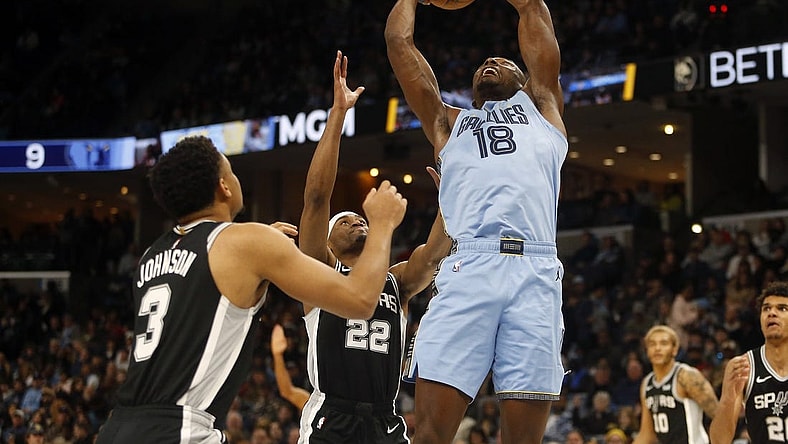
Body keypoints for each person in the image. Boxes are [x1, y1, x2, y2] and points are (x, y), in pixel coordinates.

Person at [95, 135, 408, 443]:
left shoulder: (151, 256)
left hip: (118, 426)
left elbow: (203, 295)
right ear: (224, 187)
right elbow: (362, 300)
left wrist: (259, 260)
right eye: (231, 170)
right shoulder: (246, 241)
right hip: (181, 429)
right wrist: (381, 225)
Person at [385, 0, 567, 442]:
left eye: (503, 61)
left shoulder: (542, 109)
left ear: (525, 82)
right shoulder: (449, 124)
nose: (491, 61)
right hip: (470, 265)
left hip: (536, 271)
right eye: (484, 62)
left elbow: (533, 12)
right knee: (429, 433)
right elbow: (398, 43)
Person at [296, 51, 451, 443]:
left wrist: (454, 193)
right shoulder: (319, 274)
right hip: (331, 417)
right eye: (344, 221)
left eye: (360, 217)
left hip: (386, 420)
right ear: (327, 243)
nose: (356, 220)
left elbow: (434, 253)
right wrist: (337, 115)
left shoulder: (395, 280)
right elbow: (316, 199)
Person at [709, 281, 788, 444]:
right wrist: (728, 398)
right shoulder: (744, 366)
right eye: (766, 308)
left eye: (782, 308)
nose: (771, 313)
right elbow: (719, 440)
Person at [633, 325, 718, 444]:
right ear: (646, 350)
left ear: (675, 349)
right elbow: (647, 434)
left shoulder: (687, 376)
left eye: (663, 343)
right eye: (652, 344)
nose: (657, 348)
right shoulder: (647, 383)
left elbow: (718, 415)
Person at [270, 324, 310, 411]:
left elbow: (287, 392)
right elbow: (287, 391)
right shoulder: (321, 405)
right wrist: (278, 356)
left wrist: (278, 356)